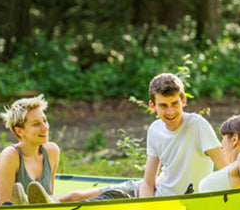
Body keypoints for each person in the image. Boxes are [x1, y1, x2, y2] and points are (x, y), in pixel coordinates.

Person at [58, 72, 226, 202]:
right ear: (152, 106)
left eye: (175, 104)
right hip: (150, 192)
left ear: (183, 101)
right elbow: (148, 181)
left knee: (103, 202)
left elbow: (225, 169)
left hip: (173, 201)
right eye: (163, 106)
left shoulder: (197, 125)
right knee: (74, 196)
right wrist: (147, 206)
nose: (170, 112)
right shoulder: (155, 129)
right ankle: (43, 204)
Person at [0, 95, 60, 206]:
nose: (45, 127)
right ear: (19, 131)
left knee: (73, 196)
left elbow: (48, 196)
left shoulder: (52, 152)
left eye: (44, 120)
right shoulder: (10, 156)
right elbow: (3, 206)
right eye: (36, 124)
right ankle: (23, 204)